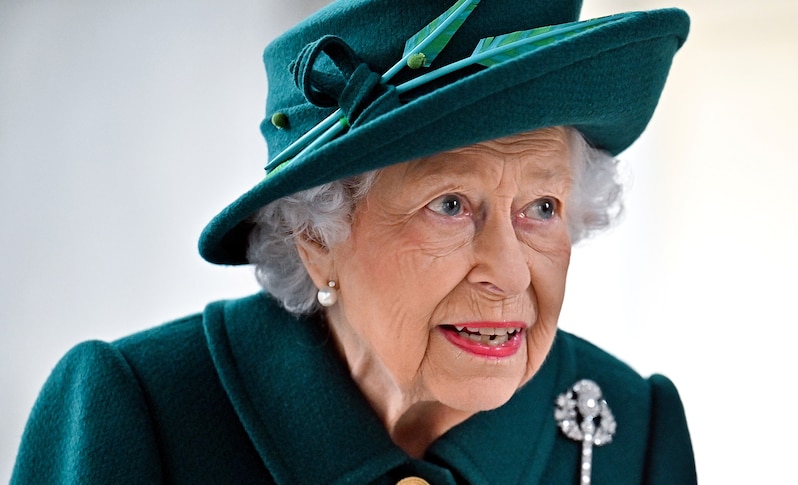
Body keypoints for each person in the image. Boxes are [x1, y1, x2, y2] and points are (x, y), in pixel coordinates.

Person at [12, 0, 695, 483]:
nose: (512, 275)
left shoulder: (629, 428)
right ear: (315, 234)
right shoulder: (137, 415)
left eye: (542, 206)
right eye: (451, 204)